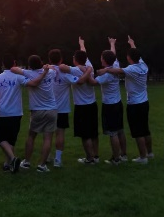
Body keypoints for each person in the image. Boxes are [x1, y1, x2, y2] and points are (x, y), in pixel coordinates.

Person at [98, 36, 153, 164]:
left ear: (129, 58)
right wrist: (132, 43)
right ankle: (150, 153)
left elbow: (117, 70)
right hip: (144, 102)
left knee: (138, 132)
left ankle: (143, 157)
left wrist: (104, 70)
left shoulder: (132, 69)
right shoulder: (142, 64)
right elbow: (129, 57)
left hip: (135, 104)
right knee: (145, 129)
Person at [0, 54, 48, 174]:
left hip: (3, 112)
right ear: (14, 63)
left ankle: (12, 159)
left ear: (3, 64)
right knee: (11, 140)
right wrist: (43, 74)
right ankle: (8, 164)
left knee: (1, 139)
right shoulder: (18, 77)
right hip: (16, 112)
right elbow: (33, 84)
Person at [87, 37, 128, 165]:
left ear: (104, 60)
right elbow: (113, 54)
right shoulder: (115, 66)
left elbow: (93, 82)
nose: (100, 59)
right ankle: (123, 155)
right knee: (120, 130)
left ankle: (116, 159)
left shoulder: (106, 75)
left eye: (101, 57)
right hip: (118, 103)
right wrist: (112, 44)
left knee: (113, 133)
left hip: (110, 106)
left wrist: (87, 72)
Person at [10, 56, 55, 173]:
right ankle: (42, 165)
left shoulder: (29, 73)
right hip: (51, 109)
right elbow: (54, 68)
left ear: (30, 65)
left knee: (31, 136)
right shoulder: (50, 72)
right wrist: (46, 68)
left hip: (36, 110)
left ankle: (27, 162)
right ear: (41, 62)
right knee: (47, 138)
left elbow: (13, 69)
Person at [48, 48, 91, 168]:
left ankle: (46, 156)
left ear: (49, 60)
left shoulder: (45, 72)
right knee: (60, 133)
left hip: (48, 107)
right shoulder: (65, 74)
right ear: (61, 59)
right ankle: (57, 160)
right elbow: (80, 81)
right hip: (62, 108)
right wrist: (88, 71)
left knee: (48, 134)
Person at [60, 37, 98, 165]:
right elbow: (84, 54)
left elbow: (62, 67)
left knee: (85, 134)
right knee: (93, 132)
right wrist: (82, 44)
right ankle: (96, 156)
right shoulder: (89, 66)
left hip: (81, 106)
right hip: (92, 104)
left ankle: (90, 159)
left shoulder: (75, 70)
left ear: (75, 59)